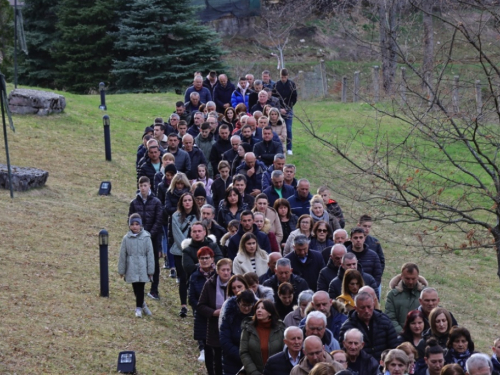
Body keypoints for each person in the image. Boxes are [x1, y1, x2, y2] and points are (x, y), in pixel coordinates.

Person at [128, 176, 163, 300]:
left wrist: (148, 235)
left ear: (149, 186)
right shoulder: (134, 202)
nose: (143, 188)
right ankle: (139, 289)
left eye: (145, 185)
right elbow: (130, 219)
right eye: (141, 186)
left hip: (152, 238)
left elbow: (159, 220)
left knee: (154, 263)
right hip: (138, 238)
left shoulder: (156, 202)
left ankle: (154, 289)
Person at [197, 258, 232, 375]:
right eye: (223, 270)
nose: (226, 273)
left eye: (228, 270)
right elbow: (201, 305)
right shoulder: (210, 284)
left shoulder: (236, 283)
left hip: (232, 325)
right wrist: (213, 312)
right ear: (217, 271)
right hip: (215, 325)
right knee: (217, 357)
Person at [339, 292, 398, 361]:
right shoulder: (347, 327)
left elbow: (394, 347)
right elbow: (344, 352)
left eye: (369, 307)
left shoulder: (385, 321)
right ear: (356, 308)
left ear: (373, 305)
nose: (366, 311)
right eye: (362, 308)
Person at [118, 213, 155, 318]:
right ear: (129, 225)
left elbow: (150, 255)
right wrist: (122, 270)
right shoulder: (126, 238)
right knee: (135, 288)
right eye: (132, 224)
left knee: (141, 288)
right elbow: (122, 255)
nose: (135, 226)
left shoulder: (146, 237)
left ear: (141, 225)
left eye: (137, 224)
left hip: (143, 267)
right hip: (131, 267)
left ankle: (138, 308)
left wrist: (150, 271)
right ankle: (143, 305)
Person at [170, 192, 201, 317]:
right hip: (179, 251)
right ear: (181, 203)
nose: (187, 202)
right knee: (183, 278)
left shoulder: (197, 216)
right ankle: (183, 305)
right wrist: (186, 246)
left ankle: (195, 305)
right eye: (185, 200)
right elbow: (177, 234)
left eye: (189, 200)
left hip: (195, 251)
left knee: (193, 278)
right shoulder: (175, 216)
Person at [240, 299, 286, 375]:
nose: (259, 310)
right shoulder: (248, 328)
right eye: (257, 308)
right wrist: (254, 372)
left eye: (263, 308)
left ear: (270, 313)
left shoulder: (280, 328)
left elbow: (284, 352)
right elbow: (244, 352)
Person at [189, 247, 217, 367]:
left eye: (207, 258)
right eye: (202, 258)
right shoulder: (194, 276)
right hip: (202, 312)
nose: (205, 260)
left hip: (218, 311)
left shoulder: (219, 274)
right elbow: (192, 297)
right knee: (204, 338)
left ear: (212, 259)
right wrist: (202, 308)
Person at [220, 289, 256, 375]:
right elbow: (225, 341)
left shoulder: (257, 318)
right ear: (238, 303)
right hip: (232, 361)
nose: (246, 308)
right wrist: (243, 356)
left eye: (249, 305)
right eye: (244, 305)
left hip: (254, 361)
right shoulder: (229, 317)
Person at [386, 263, 429, 333]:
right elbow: (390, 318)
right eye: (407, 278)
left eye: (413, 278)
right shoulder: (393, 295)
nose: (410, 282)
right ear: (402, 276)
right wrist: (402, 333)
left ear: (418, 277)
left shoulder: (425, 294)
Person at [164, 172, 191, 278]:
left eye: (181, 184)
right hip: (174, 221)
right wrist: (180, 210)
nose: (180, 186)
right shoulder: (169, 193)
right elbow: (167, 208)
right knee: (173, 244)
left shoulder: (189, 193)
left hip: (187, 222)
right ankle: (173, 267)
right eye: (178, 184)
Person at [273, 68, 297, 155]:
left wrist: (287, 108)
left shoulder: (292, 84)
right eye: (281, 77)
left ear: (287, 76)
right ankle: (278, 146)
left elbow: (294, 98)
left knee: (289, 129)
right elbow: (274, 98)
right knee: (277, 128)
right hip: (279, 109)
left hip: (288, 109)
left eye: (284, 77)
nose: (283, 79)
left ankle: (289, 148)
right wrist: (279, 109)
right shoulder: (276, 85)